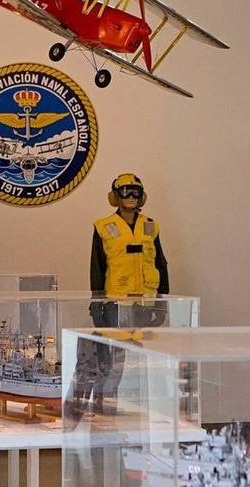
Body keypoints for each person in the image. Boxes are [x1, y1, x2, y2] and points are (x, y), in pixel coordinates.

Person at [69, 173, 170, 416]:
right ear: (115, 196)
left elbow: (161, 263)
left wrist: (163, 301)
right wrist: (97, 302)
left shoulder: (150, 225)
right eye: (125, 191)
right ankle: (106, 405)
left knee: (140, 359)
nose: (131, 197)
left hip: (145, 303)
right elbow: (97, 268)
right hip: (115, 302)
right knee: (112, 360)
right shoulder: (102, 227)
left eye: (136, 191)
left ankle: (140, 408)